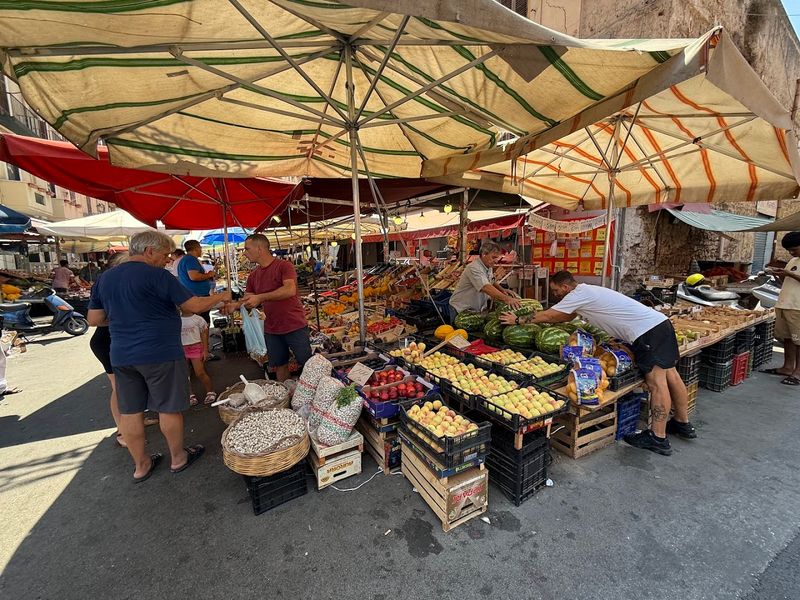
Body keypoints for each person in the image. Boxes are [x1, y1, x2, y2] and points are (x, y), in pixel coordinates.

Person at [87, 230, 231, 483]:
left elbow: (94, 319)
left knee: (131, 411)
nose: (167, 260)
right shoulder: (158, 276)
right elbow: (194, 306)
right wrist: (222, 296)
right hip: (160, 352)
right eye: (165, 255)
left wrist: (127, 318)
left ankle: (141, 466)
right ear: (149, 251)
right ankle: (178, 458)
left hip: (122, 355)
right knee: (168, 408)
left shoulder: (105, 278)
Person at [501, 270, 695, 456]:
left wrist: (518, 320)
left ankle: (658, 437)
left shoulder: (578, 293)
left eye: (556, 290)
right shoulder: (587, 291)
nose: (555, 294)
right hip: (659, 325)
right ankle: (682, 423)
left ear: (566, 286)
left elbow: (551, 314)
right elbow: (567, 316)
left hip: (647, 333)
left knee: (657, 383)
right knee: (671, 375)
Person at [224, 234, 312, 382]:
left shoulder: (284, 266)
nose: (244, 253)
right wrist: (235, 305)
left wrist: (261, 297)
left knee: (308, 364)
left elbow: (289, 290)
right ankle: (286, 396)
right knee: (279, 365)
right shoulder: (253, 276)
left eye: (247, 248)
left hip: (294, 325)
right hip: (272, 328)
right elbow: (249, 299)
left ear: (259, 249)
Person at [88, 251, 130, 447]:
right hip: (106, 341)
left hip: (119, 340)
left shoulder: (124, 284)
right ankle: (122, 430)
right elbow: (94, 320)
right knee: (119, 387)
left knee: (128, 386)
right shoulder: (106, 284)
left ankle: (133, 421)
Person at [449, 240, 521, 322]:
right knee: (458, 334)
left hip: (472, 310)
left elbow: (491, 281)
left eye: (497, 258)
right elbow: (485, 287)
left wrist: (502, 290)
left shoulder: (488, 266)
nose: (496, 260)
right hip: (460, 309)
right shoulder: (474, 268)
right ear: (484, 254)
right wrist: (507, 299)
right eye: (493, 257)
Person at [763, 231, 800, 385]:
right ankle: (787, 367)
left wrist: (788, 274)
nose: (791, 253)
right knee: (788, 338)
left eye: (794, 249)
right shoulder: (794, 261)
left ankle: (798, 373)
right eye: (789, 250)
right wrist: (779, 274)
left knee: (799, 341)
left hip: (798, 306)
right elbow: (790, 278)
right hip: (785, 303)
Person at [180, 308, 215, 405]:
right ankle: (190, 394)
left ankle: (210, 391)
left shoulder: (198, 319)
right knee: (185, 375)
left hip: (195, 347)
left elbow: (205, 332)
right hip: (182, 349)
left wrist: (205, 350)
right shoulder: (176, 319)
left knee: (199, 372)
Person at [177, 240, 215, 323]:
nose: (201, 250)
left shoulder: (185, 259)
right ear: (196, 248)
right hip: (197, 295)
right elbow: (194, 276)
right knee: (202, 321)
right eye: (200, 247)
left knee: (199, 320)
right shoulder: (191, 259)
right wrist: (209, 275)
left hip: (193, 294)